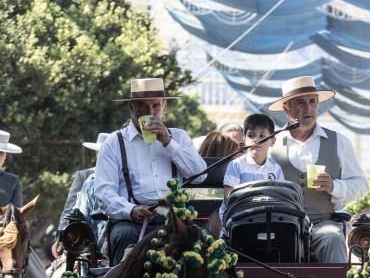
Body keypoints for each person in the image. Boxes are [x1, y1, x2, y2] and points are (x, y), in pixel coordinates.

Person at [94, 77, 206, 265]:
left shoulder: (178, 137)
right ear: (131, 108)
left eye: (155, 106)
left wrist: (168, 143)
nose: (150, 112)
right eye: (142, 107)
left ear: (164, 107)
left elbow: (200, 176)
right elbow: (104, 193)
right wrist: (132, 210)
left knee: (200, 244)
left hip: (173, 219)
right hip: (131, 222)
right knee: (124, 235)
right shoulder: (114, 143)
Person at [269, 76, 368, 262]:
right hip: (280, 224)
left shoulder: (339, 142)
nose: (308, 108)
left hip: (323, 223)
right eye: (300, 102)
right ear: (286, 108)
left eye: (312, 102)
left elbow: (361, 184)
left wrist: (334, 187)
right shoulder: (272, 144)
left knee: (333, 237)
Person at [0, 129, 64, 278]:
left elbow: (17, 213)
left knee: (26, 253)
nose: (0, 156)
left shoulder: (11, 180)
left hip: (5, 237)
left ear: (5, 158)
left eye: (2, 153)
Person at [53, 133, 109, 258]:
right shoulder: (84, 176)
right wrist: (61, 236)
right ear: (97, 153)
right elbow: (70, 209)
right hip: (83, 237)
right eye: (101, 152)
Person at [221, 112, 284, 224]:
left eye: (262, 136)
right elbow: (228, 198)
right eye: (251, 135)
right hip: (237, 219)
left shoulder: (276, 169)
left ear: (273, 141)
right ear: (244, 139)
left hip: (265, 219)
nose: (256, 140)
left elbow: (279, 197)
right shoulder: (236, 165)